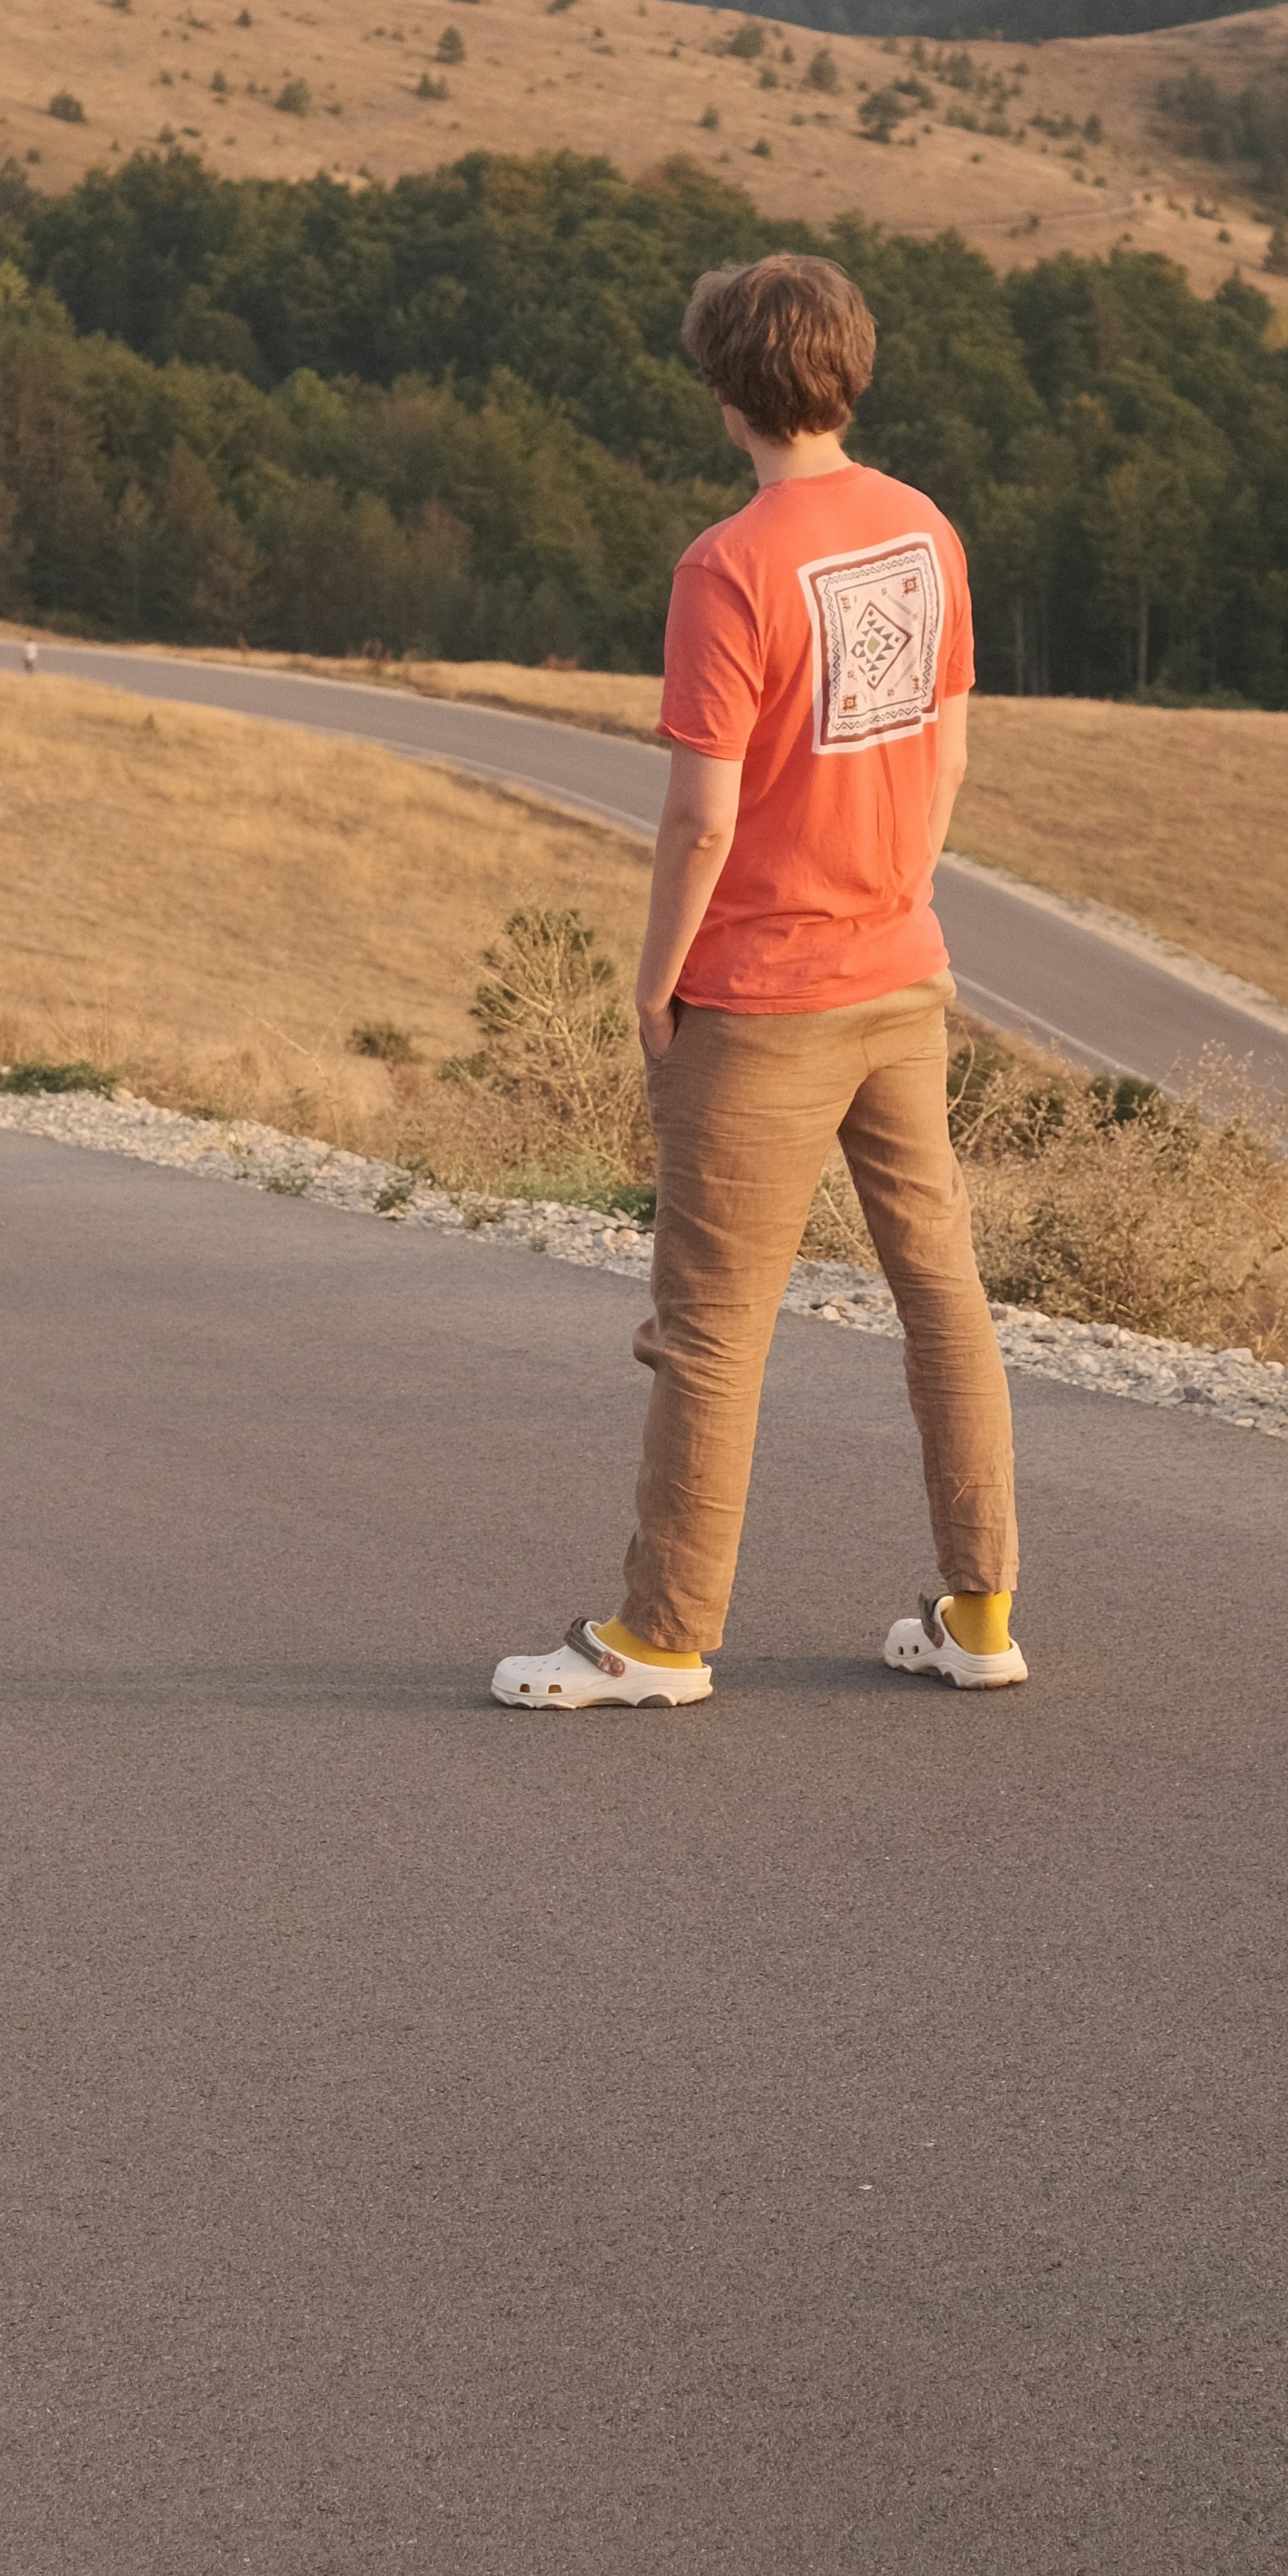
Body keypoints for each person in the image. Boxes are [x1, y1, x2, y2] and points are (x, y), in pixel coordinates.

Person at [491, 250, 1024, 1710]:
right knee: (943, 1294)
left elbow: (701, 815)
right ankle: (980, 1619)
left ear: (725, 394)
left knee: (711, 1331)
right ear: (851, 369)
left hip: (765, 997)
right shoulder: (924, 531)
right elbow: (954, 748)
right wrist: (897, 894)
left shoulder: (726, 567)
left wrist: (655, 980)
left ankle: (662, 1638)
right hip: (903, 971)